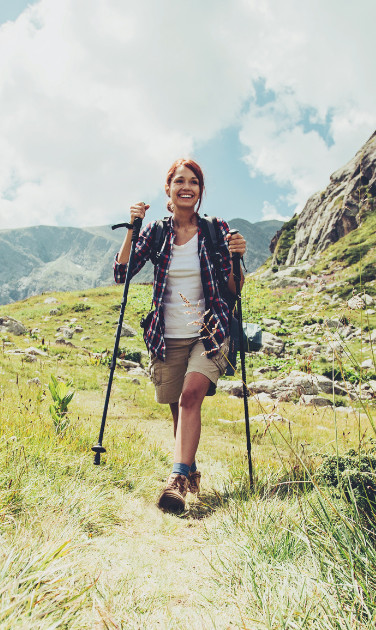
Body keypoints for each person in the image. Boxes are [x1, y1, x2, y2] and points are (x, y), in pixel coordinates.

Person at [114, 158, 247, 513]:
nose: (187, 187)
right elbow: (122, 274)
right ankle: (189, 472)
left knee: (190, 398)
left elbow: (233, 290)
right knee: (177, 410)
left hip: (209, 332)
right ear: (169, 189)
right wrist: (132, 227)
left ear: (200, 191)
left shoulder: (216, 230)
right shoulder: (156, 233)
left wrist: (237, 259)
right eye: (180, 181)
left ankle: (175, 481)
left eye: (194, 182)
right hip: (165, 336)